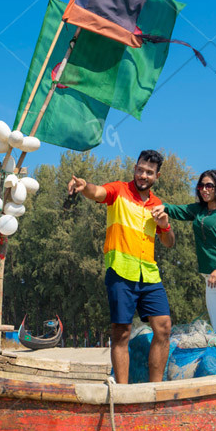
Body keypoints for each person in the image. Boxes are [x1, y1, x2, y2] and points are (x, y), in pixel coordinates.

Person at [68, 150, 174, 383]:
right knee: (121, 332)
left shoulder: (157, 205)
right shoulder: (119, 190)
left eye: (149, 172)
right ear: (134, 168)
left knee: (164, 328)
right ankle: (123, 392)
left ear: (157, 175)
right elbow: (97, 192)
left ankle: (155, 390)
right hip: (120, 272)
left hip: (149, 275)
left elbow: (169, 243)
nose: (143, 175)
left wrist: (164, 225)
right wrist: (84, 186)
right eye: (140, 169)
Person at [154, 170, 216, 331]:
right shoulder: (199, 210)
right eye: (201, 186)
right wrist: (162, 207)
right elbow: (177, 210)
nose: (204, 190)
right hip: (211, 278)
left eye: (209, 186)